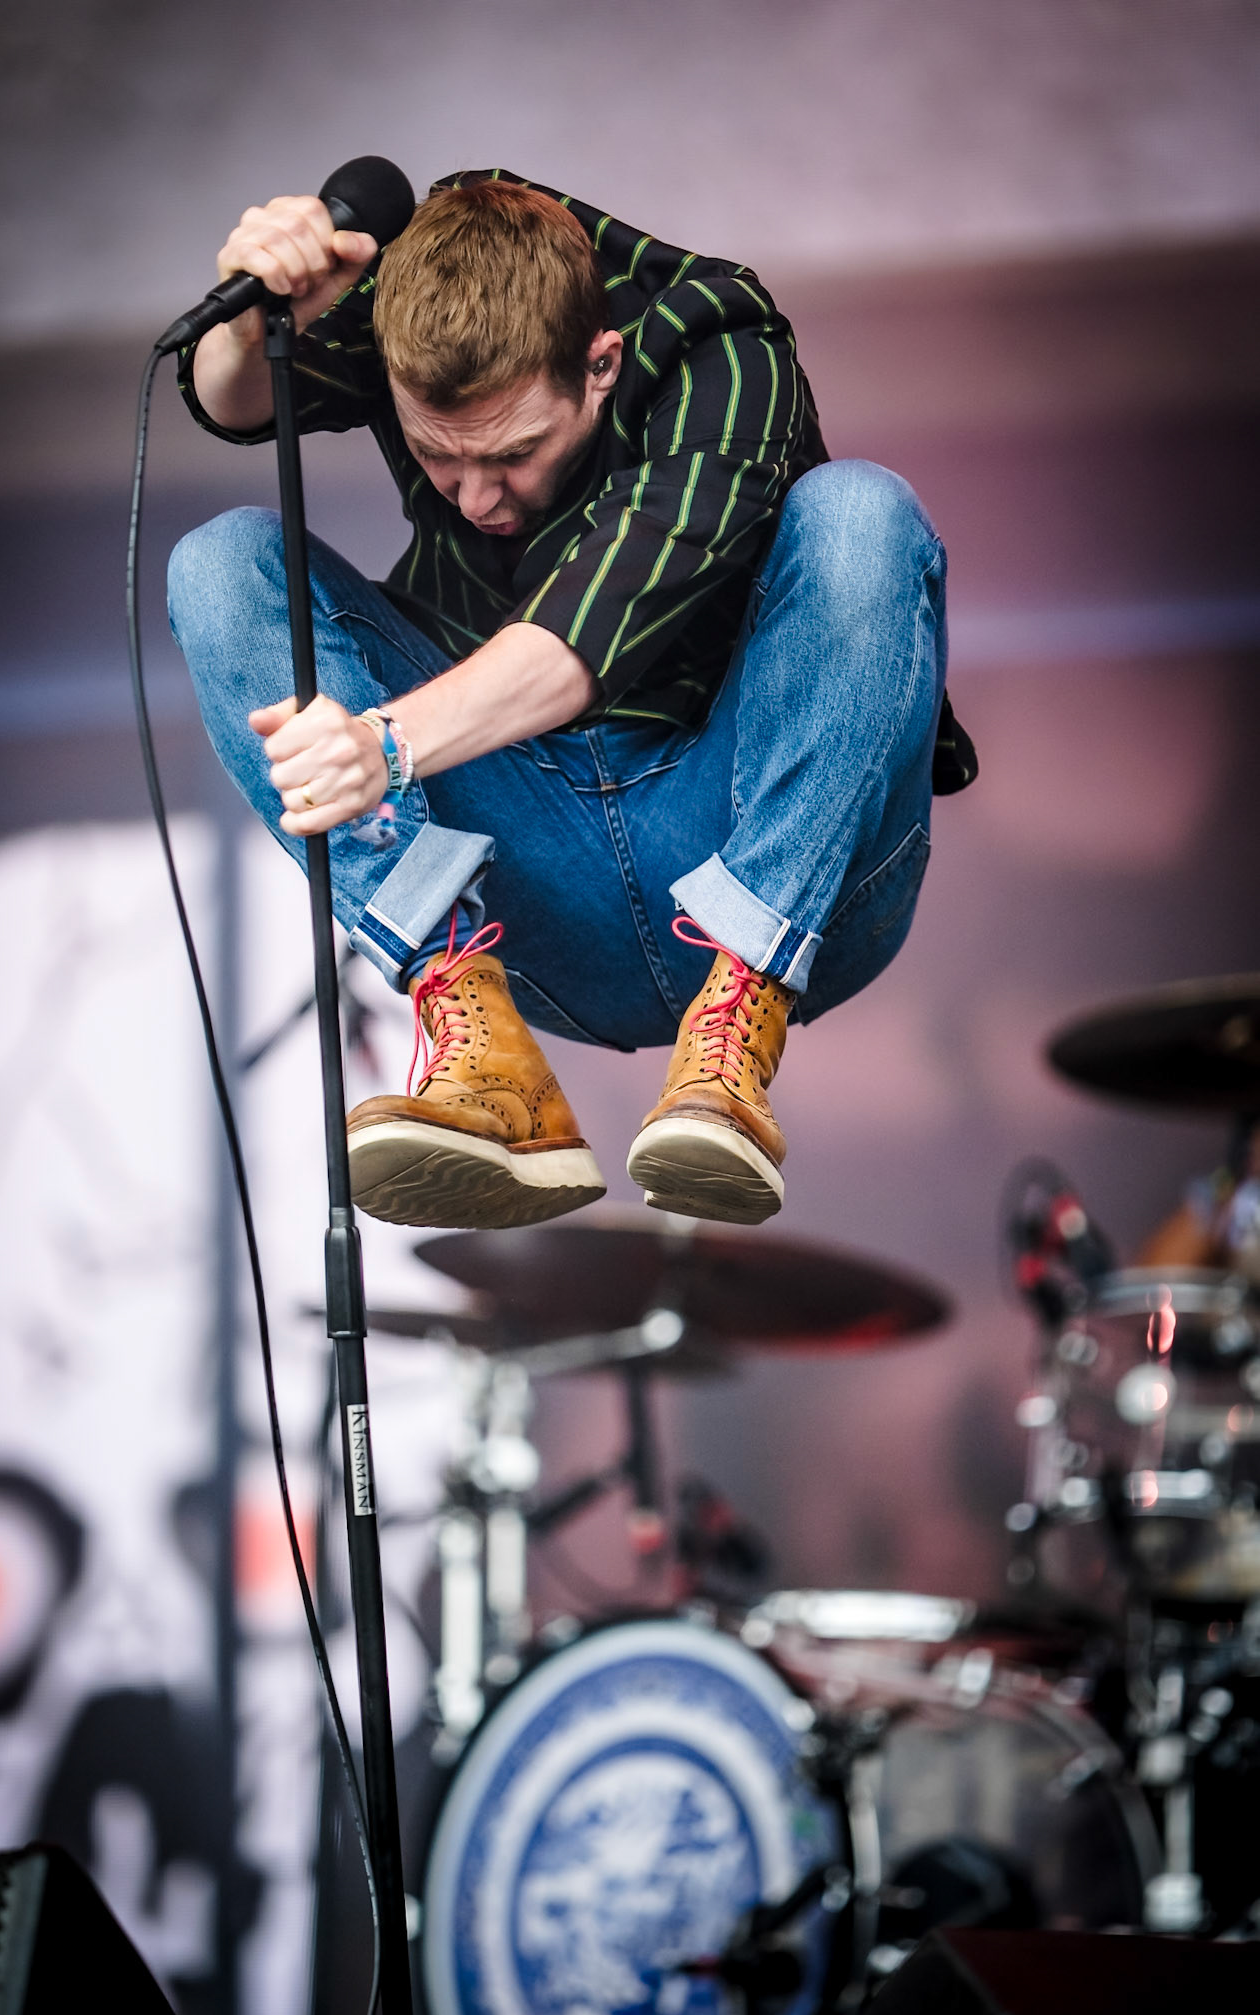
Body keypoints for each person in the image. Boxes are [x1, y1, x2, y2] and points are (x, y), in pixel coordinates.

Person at [168, 170, 973, 1233]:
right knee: (219, 564)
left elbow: (584, 641)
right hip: (529, 883)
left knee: (862, 511)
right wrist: (254, 306)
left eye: (511, 454)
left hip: (757, 847)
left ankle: (739, 1021)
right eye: (435, 456)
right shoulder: (417, 301)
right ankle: (475, 1038)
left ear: (601, 366)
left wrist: (387, 743)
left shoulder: (724, 356)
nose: (475, 496)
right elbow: (235, 401)